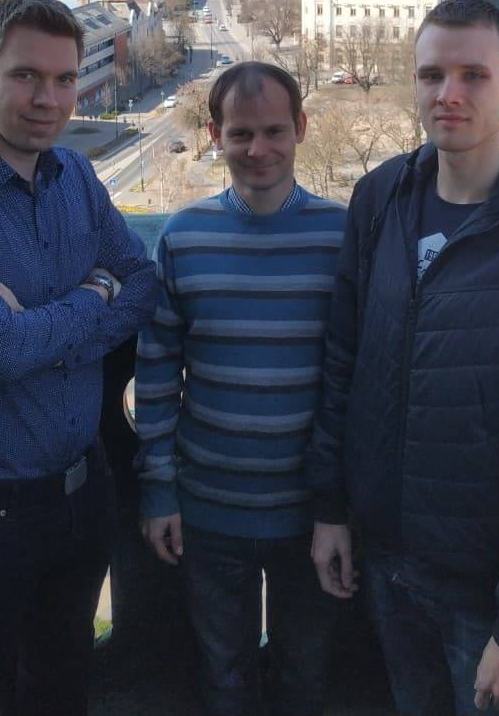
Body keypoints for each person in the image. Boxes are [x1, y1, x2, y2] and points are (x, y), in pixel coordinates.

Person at [306, 0, 499, 716]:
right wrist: (330, 509)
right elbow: (344, 362)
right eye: (432, 75)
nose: (448, 93)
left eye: (473, 75)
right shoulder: (381, 196)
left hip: (490, 589)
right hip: (387, 561)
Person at [0, 0, 158, 716]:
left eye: (63, 79)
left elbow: (141, 281)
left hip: (82, 492)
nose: (48, 99)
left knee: (63, 683)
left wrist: (41, 336)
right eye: (25, 75)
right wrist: (92, 293)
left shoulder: (75, 176)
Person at [134, 62, 347, 716]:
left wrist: (340, 506)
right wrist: (158, 489)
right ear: (215, 135)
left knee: (305, 677)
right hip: (209, 512)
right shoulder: (183, 237)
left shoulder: (342, 237)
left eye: (274, 131)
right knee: (223, 677)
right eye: (241, 133)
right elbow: (156, 371)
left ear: (301, 128)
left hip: (309, 513)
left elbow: (356, 378)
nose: (258, 149)